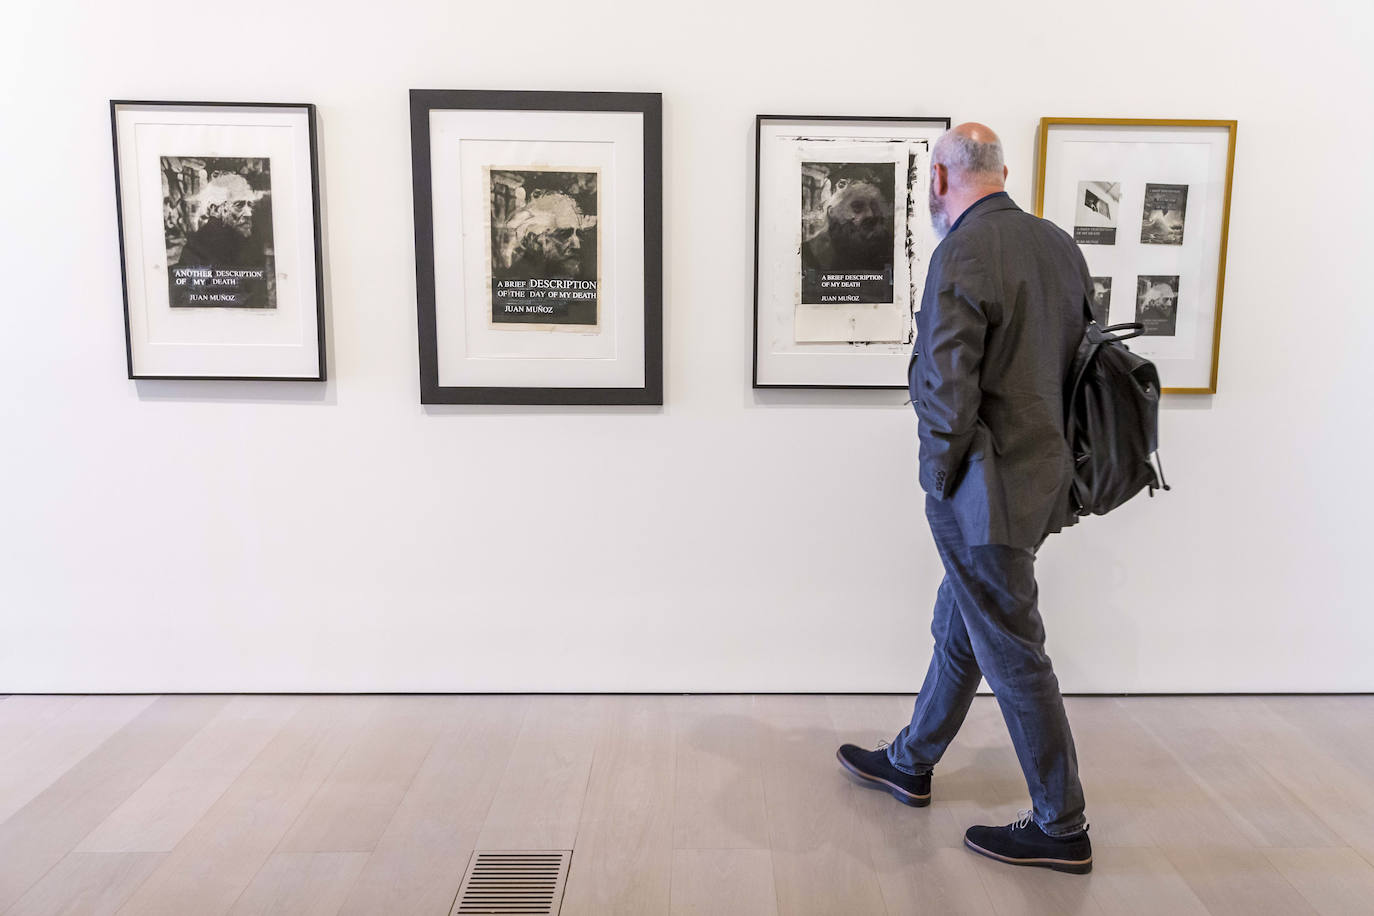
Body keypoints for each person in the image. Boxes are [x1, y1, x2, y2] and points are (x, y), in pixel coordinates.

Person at [835, 123, 1095, 875]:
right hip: (1043, 477)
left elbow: (948, 391)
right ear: (1003, 172)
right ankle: (910, 762)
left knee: (1011, 647)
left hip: (982, 488)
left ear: (940, 182)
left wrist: (936, 477)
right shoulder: (1058, 245)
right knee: (965, 621)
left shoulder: (962, 250)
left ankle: (1061, 822)